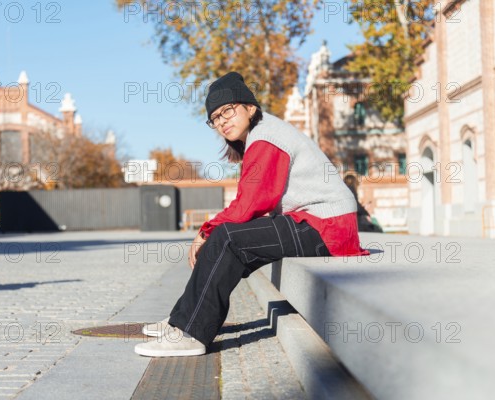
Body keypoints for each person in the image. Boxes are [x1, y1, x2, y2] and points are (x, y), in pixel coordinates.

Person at [134, 71, 370, 357]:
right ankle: (181, 320)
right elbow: (255, 203)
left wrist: (205, 230)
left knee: (226, 239)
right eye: (215, 118)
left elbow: (251, 204)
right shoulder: (261, 135)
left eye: (228, 110)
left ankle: (191, 333)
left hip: (327, 227)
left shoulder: (266, 138)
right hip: (316, 223)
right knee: (227, 241)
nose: (222, 121)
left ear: (250, 107)